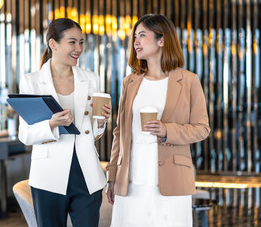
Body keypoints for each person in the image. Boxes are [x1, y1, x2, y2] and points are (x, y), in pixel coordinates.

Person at [106, 14, 211, 226]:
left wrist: (167, 131)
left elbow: (202, 128)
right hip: (131, 180)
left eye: (142, 35)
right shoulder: (130, 82)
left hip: (171, 182)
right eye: (135, 36)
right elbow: (120, 133)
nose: (135, 41)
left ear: (161, 40)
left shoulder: (188, 80)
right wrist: (112, 176)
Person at [18, 18, 111, 227]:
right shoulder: (31, 81)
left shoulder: (91, 78)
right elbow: (25, 135)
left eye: (81, 42)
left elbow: (93, 133)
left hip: (87, 174)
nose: (78, 48)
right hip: (48, 176)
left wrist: (101, 121)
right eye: (72, 42)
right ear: (53, 44)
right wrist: (51, 124)